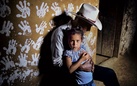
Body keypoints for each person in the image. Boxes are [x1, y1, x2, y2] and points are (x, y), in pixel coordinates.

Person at [51, 3, 120, 86]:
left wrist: (90, 63)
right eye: (87, 25)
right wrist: (80, 67)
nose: (89, 30)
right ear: (77, 19)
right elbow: (57, 63)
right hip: (68, 70)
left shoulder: (81, 32)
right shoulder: (59, 32)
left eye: (90, 26)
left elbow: (86, 51)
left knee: (109, 73)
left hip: (83, 66)